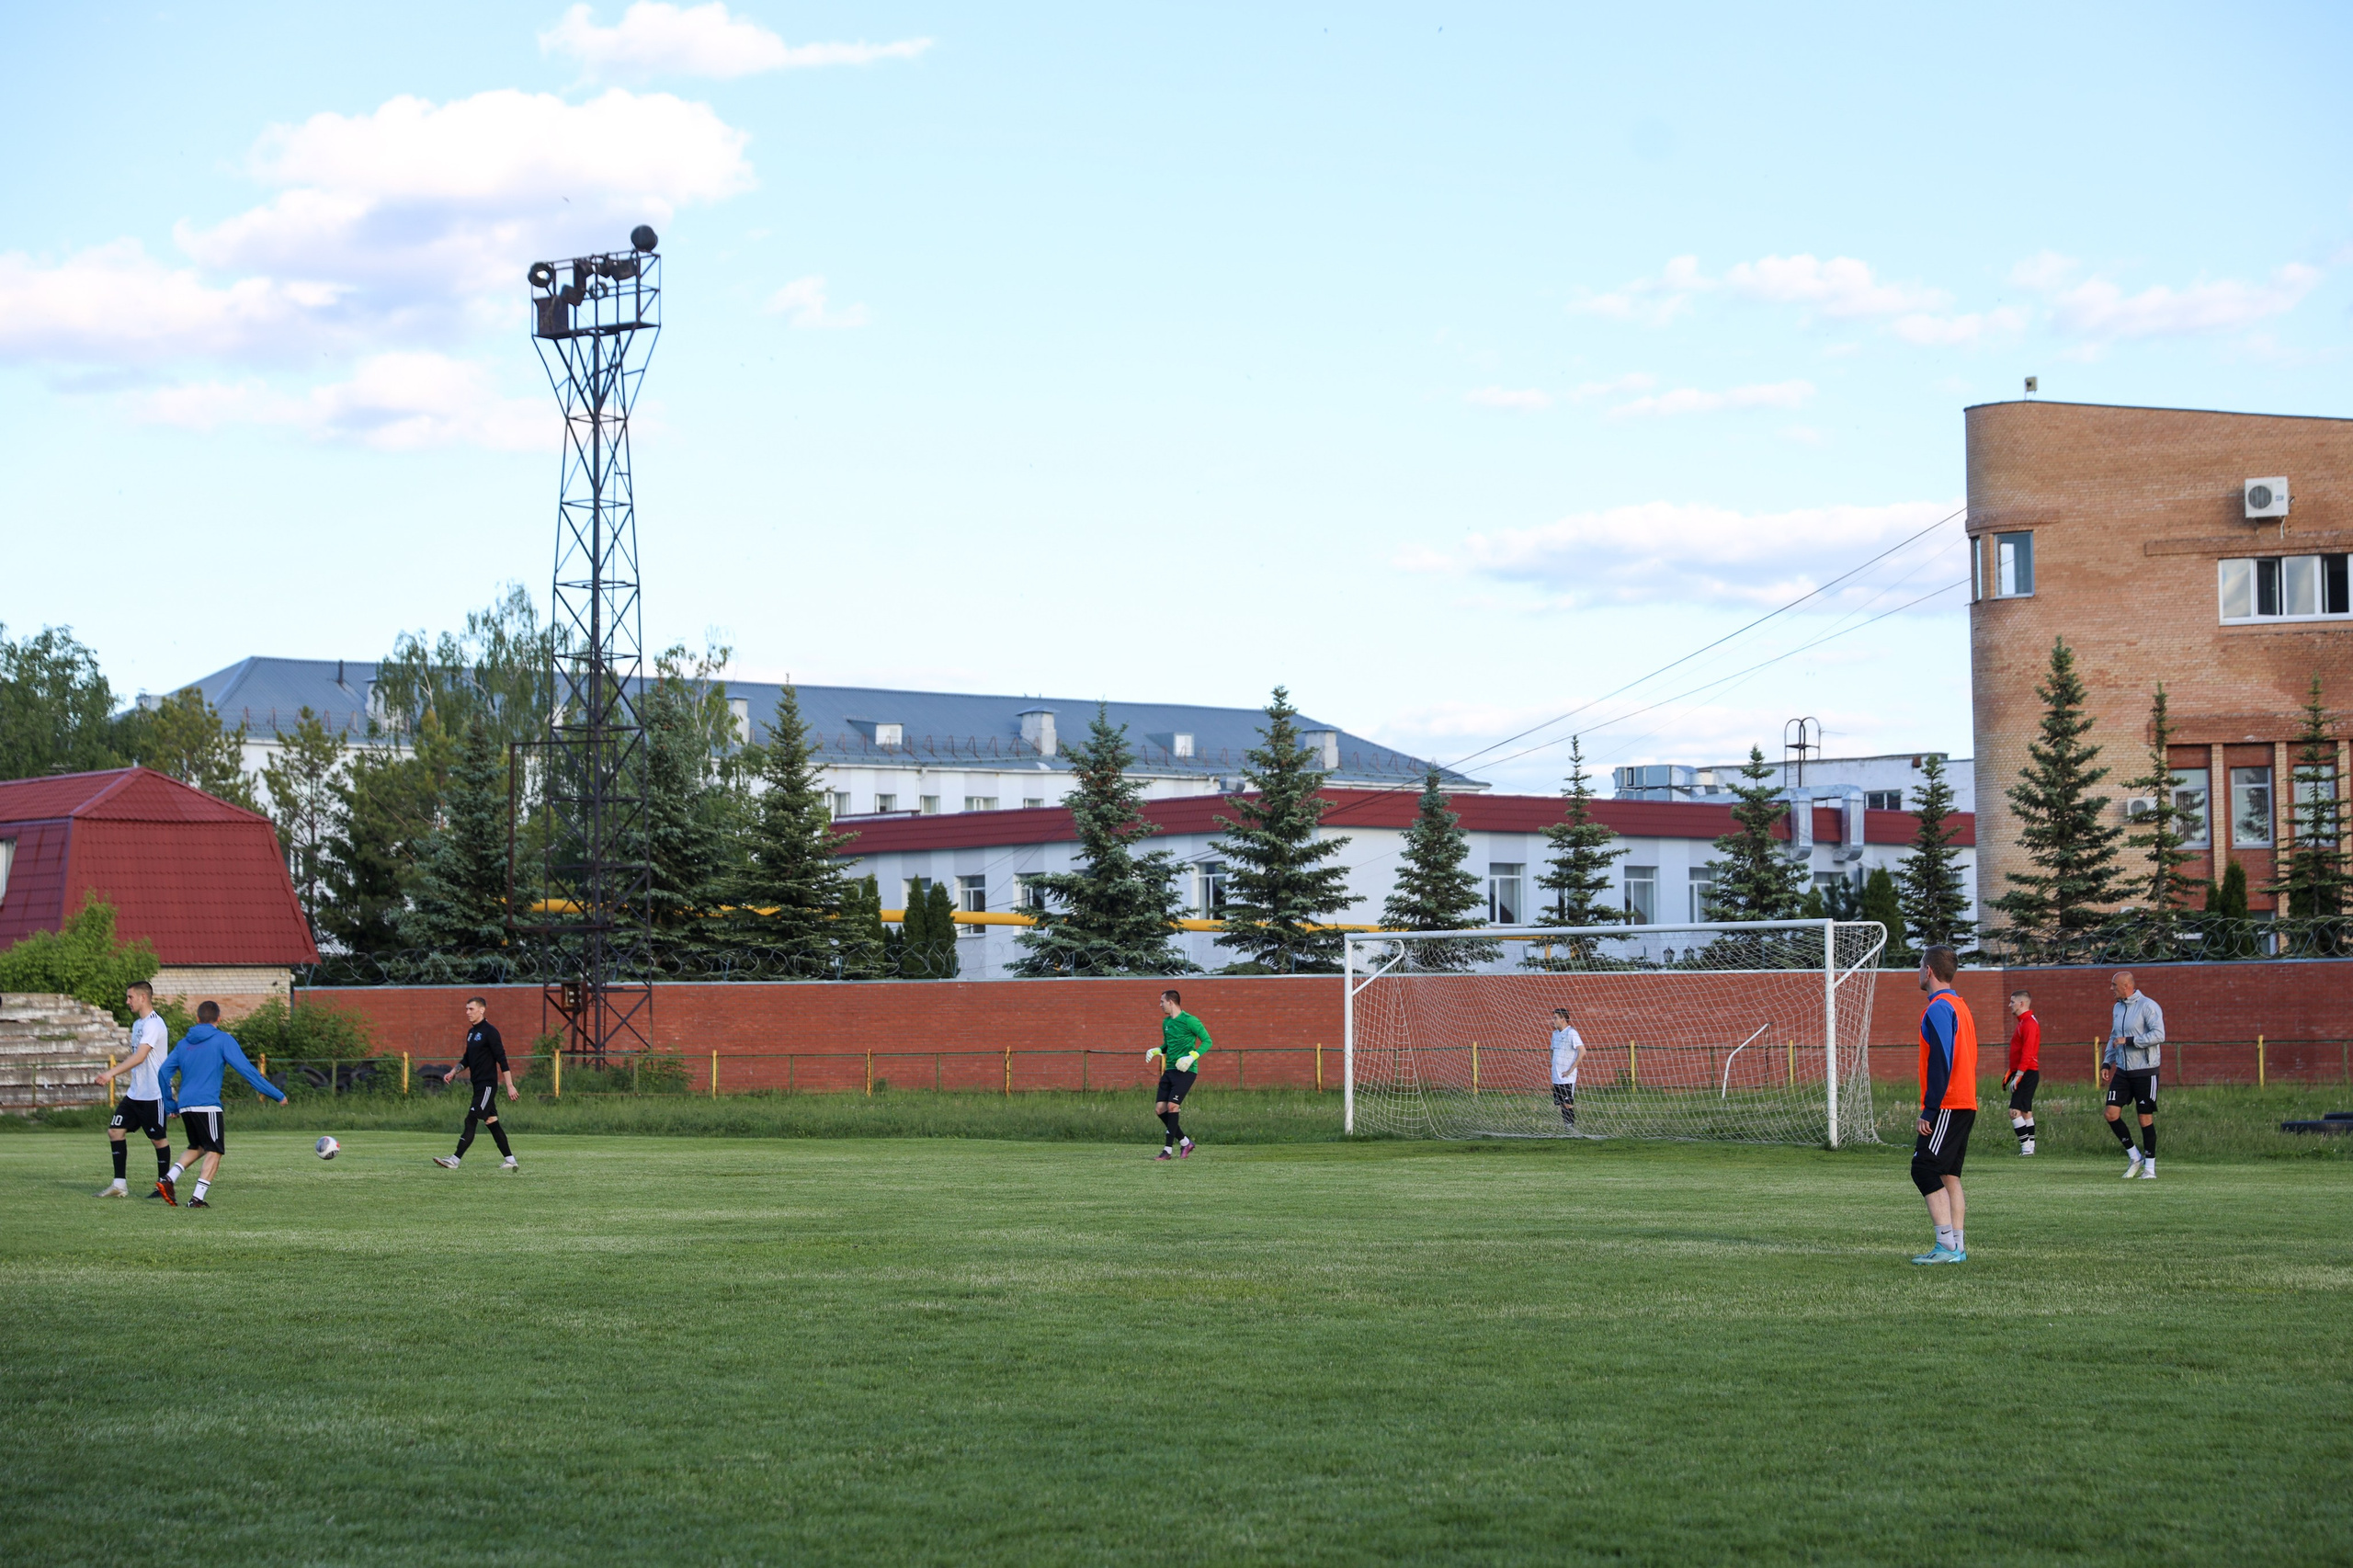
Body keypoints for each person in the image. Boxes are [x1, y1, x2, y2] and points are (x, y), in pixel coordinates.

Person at [155, 1001, 287, 1208]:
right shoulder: (223, 1040)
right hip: (207, 1105)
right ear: (219, 1019)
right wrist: (276, 1094)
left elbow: (163, 1073)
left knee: (198, 1146)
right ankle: (197, 1199)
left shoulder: (183, 1043)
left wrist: (171, 1105)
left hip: (186, 1105)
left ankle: (168, 1179)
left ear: (197, 1019)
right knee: (215, 1151)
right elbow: (248, 1071)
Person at [1910, 945, 1977, 1265]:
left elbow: (1942, 1060)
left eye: (1919, 966)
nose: (1918, 972)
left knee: (1923, 1168)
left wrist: (1930, 1108)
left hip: (1948, 1103)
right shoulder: (1960, 1005)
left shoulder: (1938, 1008)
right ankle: (1957, 1247)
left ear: (1930, 971)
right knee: (1949, 1174)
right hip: (1965, 1101)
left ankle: (1946, 1246)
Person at [93, 981, 175, 1198]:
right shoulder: (139, 1024)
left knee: (158, 1140)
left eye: (130, 997)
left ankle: (163, 1185)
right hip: (135, 1092)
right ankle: (119, 1185)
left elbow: (140, 1056)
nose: (127, 1001)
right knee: (115, 1131)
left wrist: (111, 1073)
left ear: (143, 998)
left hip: (154, 1093)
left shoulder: (154, 1024)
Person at [433, 997, 517, 1171]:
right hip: (477, 1085)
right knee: (492, 1121)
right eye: (466, 1009)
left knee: (471, 1119)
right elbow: (467, 1059)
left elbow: (502, 1060)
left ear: (482, 1010)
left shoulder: (490, 1032)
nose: (467, 1012)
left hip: (487, 1086)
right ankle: (510, 1160)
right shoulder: (471, 1033)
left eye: (471, 1009)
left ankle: (454, 1160)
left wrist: (510, 1085)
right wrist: (453, 1071)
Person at [2103, 970, 2164, 1179]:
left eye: (2114, 985)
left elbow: (2159, 1035)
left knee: (2144, 1117)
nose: (2111, 989)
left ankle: (2150, 1169)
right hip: (2122, 1071)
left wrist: (2130, 1041)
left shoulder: (2148, 1006)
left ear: (2126, 986)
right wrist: (2107, 1061)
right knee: (2111, 1113)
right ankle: (2134, 1156)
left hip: (2145, 1071)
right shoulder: (2117, 1008)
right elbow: (2114, 1036)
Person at [1145, 989, 1211, 1160]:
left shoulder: (1190, 1021)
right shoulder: (1166, 1022)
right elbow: (1168, 1044)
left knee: (1172, 1107)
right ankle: (1185, 1142)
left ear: (1171, 1002)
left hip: (1186, 1071)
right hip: (1170, 1071)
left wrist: (1192, 1056)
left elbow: (1207, 1041)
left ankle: (1167, 1150)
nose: (1160, 1005)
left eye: (1162, 1002)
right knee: (1160, 1110)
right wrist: (1157, 1050)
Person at [2004, 989, 2041, 1155]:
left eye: (2012, 1002)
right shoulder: (2023, 1022)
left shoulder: (2029, 1024)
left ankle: (2026, 1148)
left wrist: (2018, 1076)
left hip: (2027, 1073)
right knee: (2026, 1111)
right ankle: (2030, 1148)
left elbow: (2028, 1053)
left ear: (2021, 1003)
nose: (2009, 1005)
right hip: (2024, 1072)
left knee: (2014, 1111)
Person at [1548, 1006, 1583, 1129]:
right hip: (1556, 1075)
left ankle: (1571, 1127)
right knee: (1562, 1104)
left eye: (1555, 1018)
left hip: (1567, 1077)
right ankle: (1567, 1127)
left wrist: (1571, 1069)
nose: (1553, 1020)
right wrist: (1553, 1063)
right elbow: (1551, 1050)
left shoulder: (1571, 1032)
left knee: (1568, 1104)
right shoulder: (1555, 1034)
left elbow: (1582, 1051)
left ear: (1563, 1019)